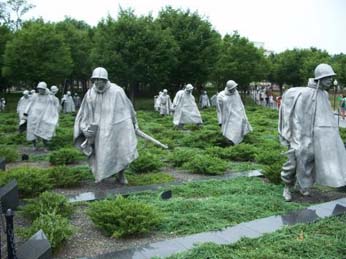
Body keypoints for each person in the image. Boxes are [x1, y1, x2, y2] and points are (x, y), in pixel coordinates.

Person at [279, 64, 346, 202]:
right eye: (327, 78)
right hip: (301, 136)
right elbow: (296, 118)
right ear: (319, 78)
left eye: (331, 78)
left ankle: (303, 187)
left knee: (310, 163)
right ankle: (287, 187)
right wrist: (297, 139)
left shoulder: (324, 94)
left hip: (317, 137)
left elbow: (326, 117)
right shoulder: (305, 94)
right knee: (294, 161)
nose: (330, 81)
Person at [74, 67, 138, 184]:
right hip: (99, 130)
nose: (97, 82)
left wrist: (134, 123)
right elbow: (84, 113)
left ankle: (121, 174)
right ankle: (101, 175)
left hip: (117, 127)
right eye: (95, 80)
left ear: (105, 80)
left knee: (121, 151)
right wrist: (85, 128)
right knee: (101, 153)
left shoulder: (117, 91)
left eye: (100, 79)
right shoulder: (90, 94)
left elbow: (128, 108)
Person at [23, 82, 60, 150]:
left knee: (44, 131)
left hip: (44, 117)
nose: (40, 90)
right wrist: (25, 113)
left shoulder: (49, 97)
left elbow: (53, 106)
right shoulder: (35, 96)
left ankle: (45, 146)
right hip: (33, 116)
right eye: (39, 89)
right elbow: (30, 104)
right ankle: (34, 145)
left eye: (42, 89)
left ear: (44, 89)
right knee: (32, 131)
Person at [216, 80, 252, 145]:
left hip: (238, 117)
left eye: (235, 87)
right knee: (229, 133)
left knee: (238, 132)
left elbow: (240, 105)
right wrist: (220, 121)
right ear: (229, 88)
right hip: (228, 118)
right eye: (233, 88)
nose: (235, 89)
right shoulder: (220, 96)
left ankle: (237, 145)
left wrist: (244, 116)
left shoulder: (236, 93)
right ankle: (230, 145)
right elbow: (219, 110)